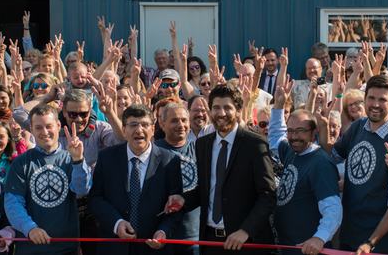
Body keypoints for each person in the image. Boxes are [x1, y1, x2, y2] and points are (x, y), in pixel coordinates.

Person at [184, 84, 276, 254]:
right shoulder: (202, 144)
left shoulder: (255, 145)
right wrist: (182, 200)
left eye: (227, 107)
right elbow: (207, 190)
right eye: (216, 108)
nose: (221, 113)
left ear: (239, 110)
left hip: (245, 242)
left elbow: (268, 196)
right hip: (210, 242)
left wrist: (246, 230)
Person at [328, 75, 388, 254]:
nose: (375, 104)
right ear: (365, 98)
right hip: (348, 236)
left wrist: (370, 242)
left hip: (378, 245)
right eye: (371, 98)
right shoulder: (358, 127)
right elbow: (333, 158)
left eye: (382, 99)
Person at [88, 104, 183, 254]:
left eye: (145, 125)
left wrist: (163, 231)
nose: (139, 130)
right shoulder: (107, 157)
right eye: (133, 125)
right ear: (124, 130)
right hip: (114, 247)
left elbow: (176, 207)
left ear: (153, 129)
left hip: (153, 247)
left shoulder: (170, 161)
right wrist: (117, 223)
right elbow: (95, 199)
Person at [267, 70, 342, 255]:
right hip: (287, 246)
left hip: (309, 249)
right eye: (291, 131)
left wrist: (319, 237)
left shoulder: (321, 163)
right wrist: (278, 105)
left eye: (300, 131)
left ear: (313, 133)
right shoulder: (292, 151)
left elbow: (333, 208)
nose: (294, 137)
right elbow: (276, 137)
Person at [4, 104, 91, 255]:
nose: (44, 132)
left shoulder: (71, 157)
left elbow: (82, 190)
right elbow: (13, 203)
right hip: (31, 248)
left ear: (58, 126)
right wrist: (30, 228)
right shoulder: (21, 163)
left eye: (49, 126)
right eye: (38, 128)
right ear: (31, 129)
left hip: (66, 247)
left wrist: (78, 160)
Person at [154, 102, 199, 255]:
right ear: (162, 123)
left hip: (194, 238)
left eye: (184, 120)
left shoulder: (200, 149)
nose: (180, 125)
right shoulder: (152, 151)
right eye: (174, 120)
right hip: (161, 237)